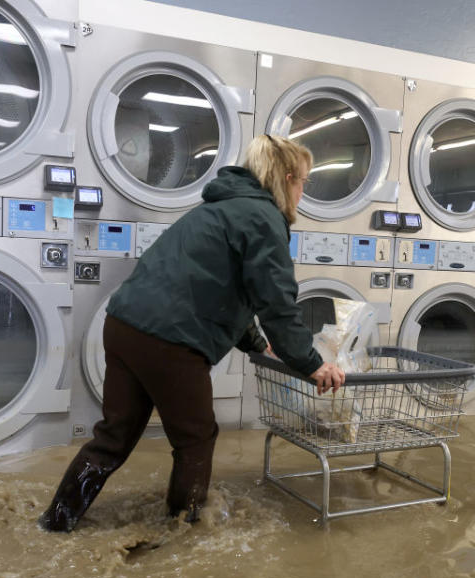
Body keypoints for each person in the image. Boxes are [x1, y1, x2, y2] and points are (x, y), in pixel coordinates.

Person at [38, 134, 345, 532]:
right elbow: (277, 304)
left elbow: (216, 290)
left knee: (113, 438)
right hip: (170, 343)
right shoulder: (264, 218)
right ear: (287, 178)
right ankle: (183, 532)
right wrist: (312, 364)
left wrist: (256, 343)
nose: (304, 191)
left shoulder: (218, 209)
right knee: (196, 439)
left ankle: (57, 522)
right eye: (304, 181)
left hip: (124, 327)